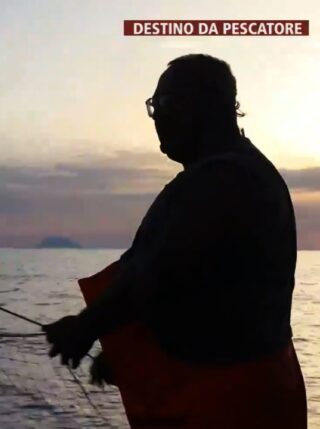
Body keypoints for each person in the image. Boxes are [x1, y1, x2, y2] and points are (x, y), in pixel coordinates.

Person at [43, 54, 306, 428]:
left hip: (233, 403)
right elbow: (200, 294)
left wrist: (86, 327)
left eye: (165, 104)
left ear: (207, 103)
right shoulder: (220, 176)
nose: (157, 118)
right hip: (210, 391)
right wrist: (124, 352)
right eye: (153, 107)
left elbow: (160, 272)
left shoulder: (229, 181)